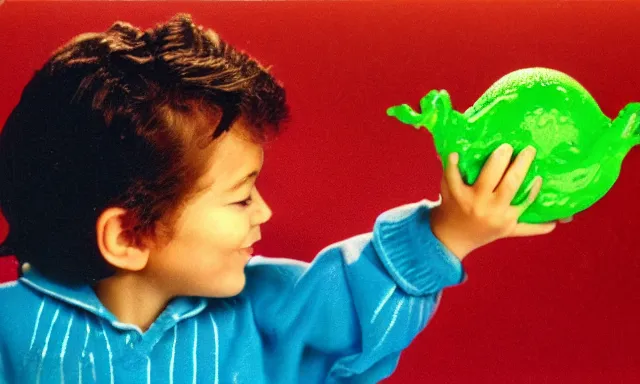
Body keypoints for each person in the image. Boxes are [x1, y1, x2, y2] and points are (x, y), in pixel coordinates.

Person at [0, 13, 562, 384]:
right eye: (241, 198)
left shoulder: (267, 312)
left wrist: (451, 231)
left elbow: (350, 297)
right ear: (128, 235)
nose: (265, 212)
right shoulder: (11, 328)